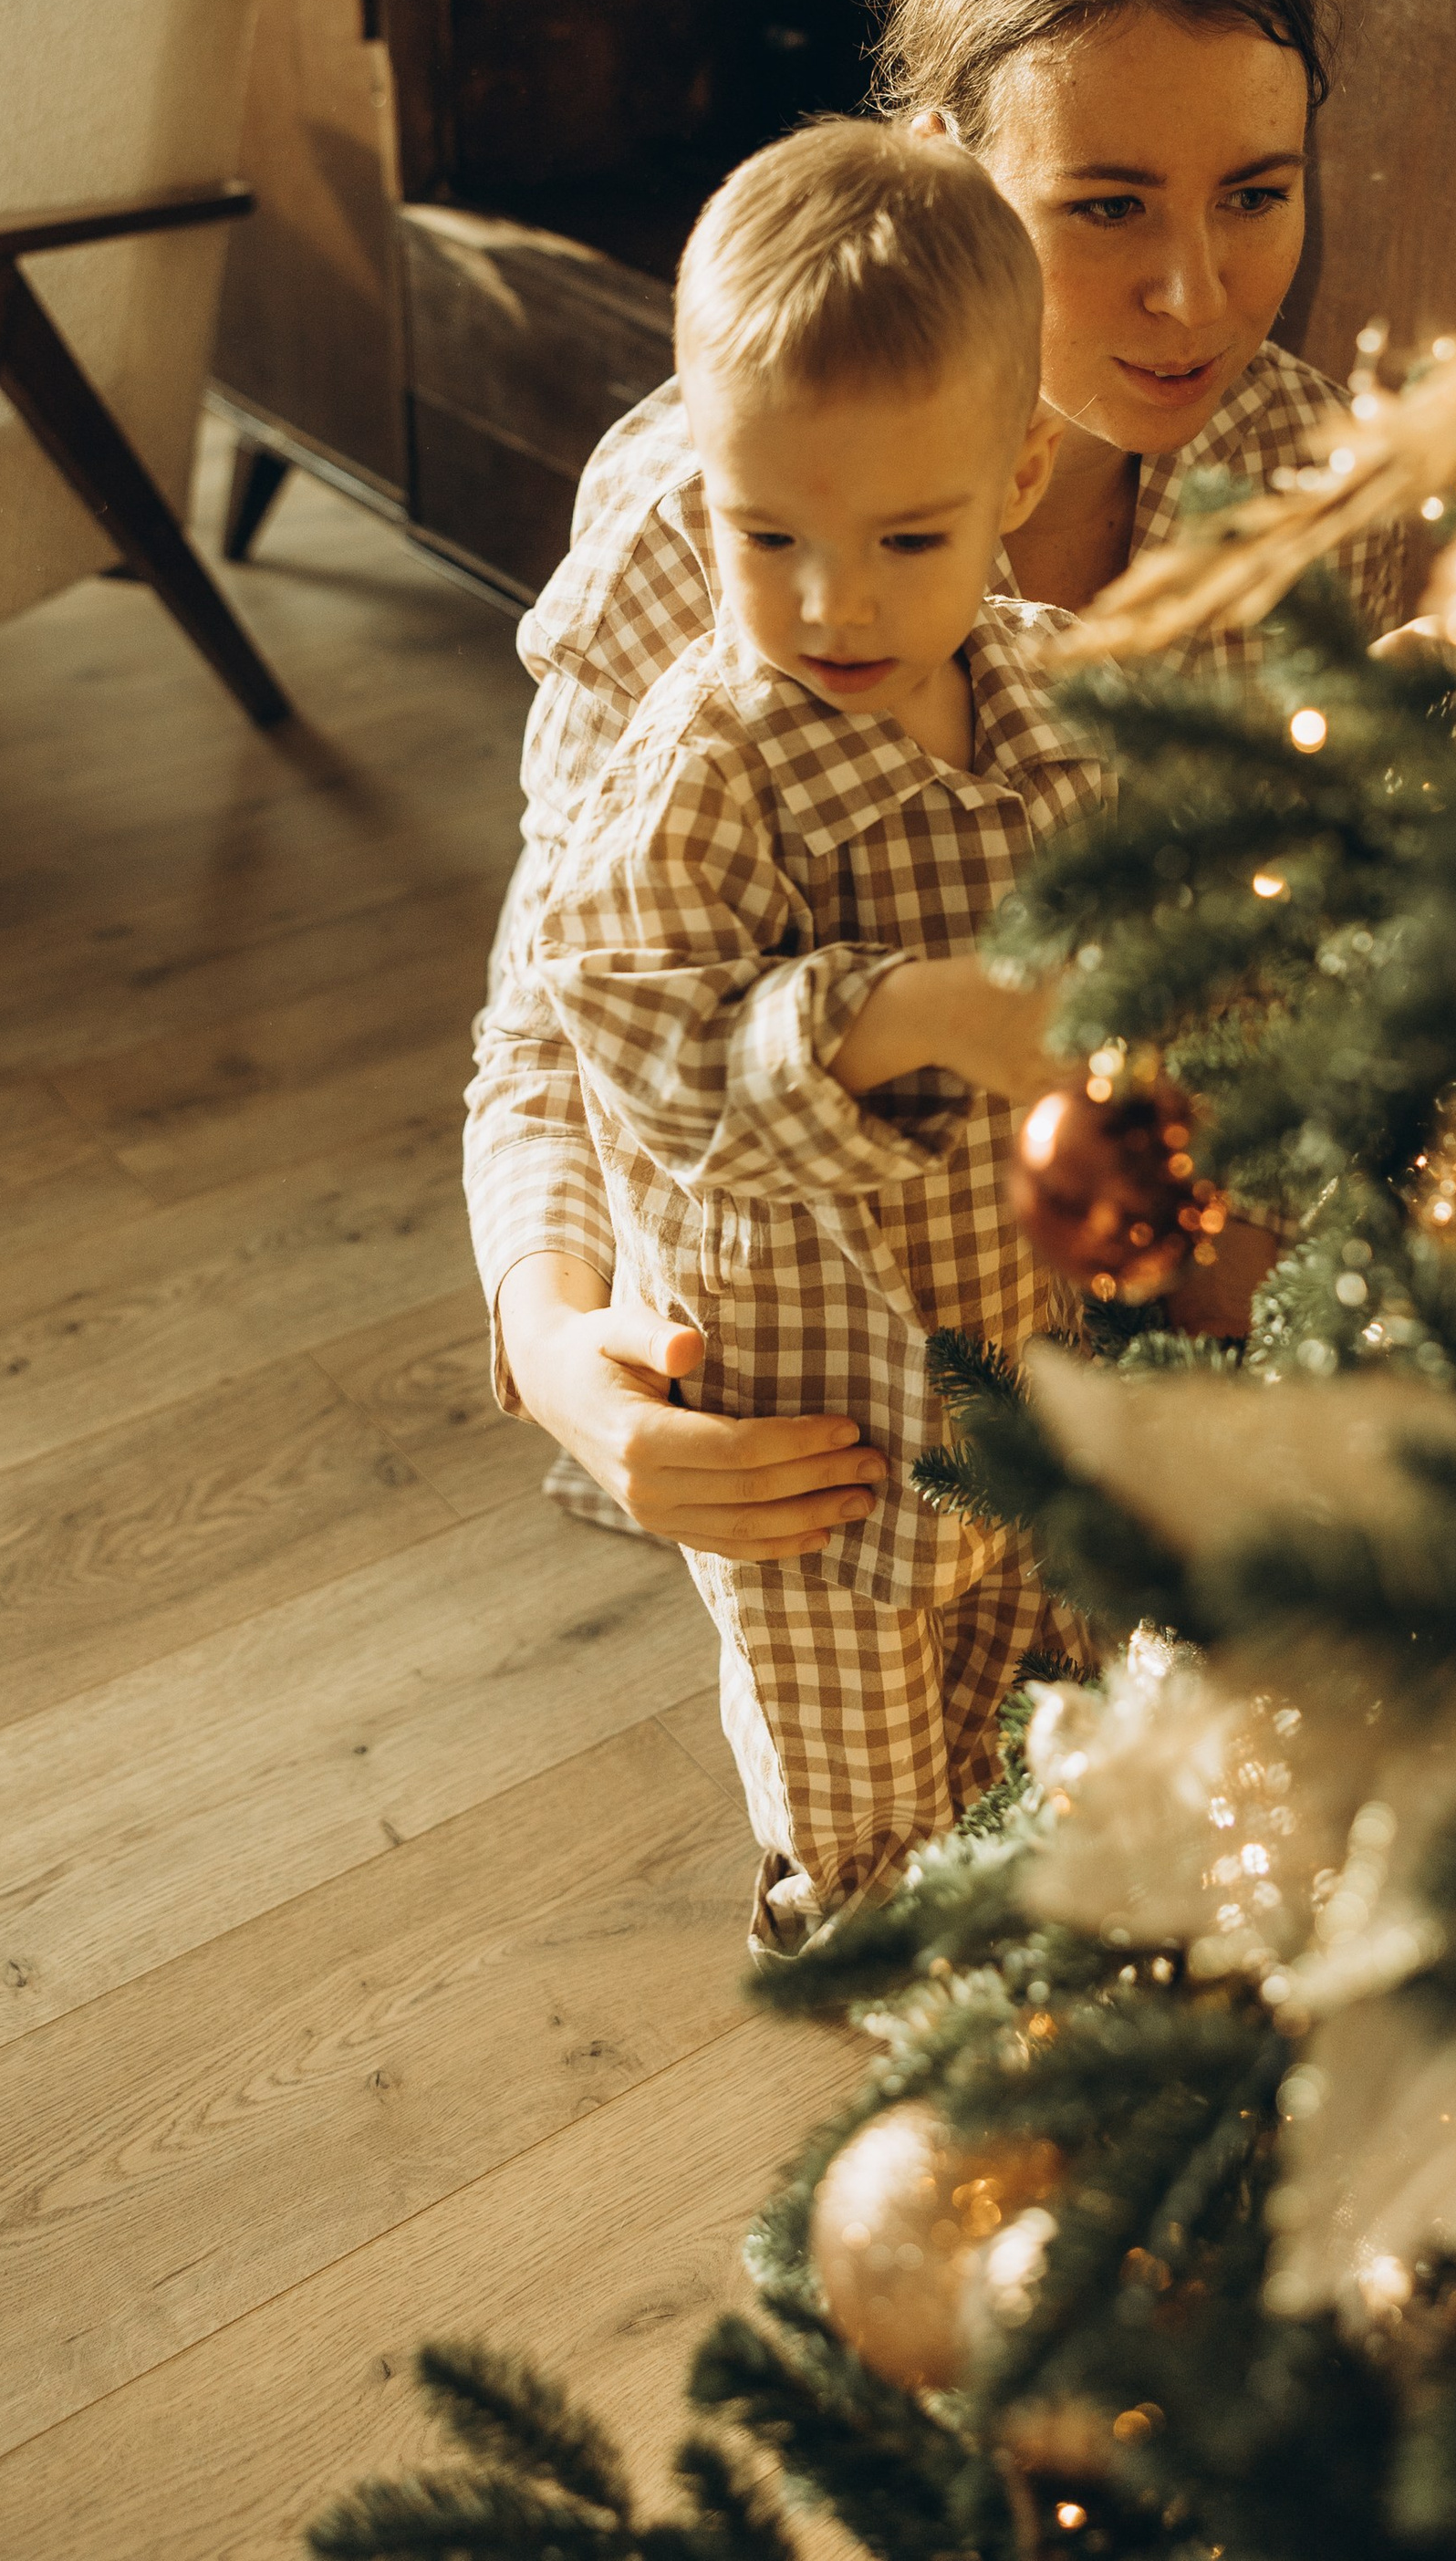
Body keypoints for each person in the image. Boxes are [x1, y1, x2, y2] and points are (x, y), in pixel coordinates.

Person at [465, 0, 1420, 1548]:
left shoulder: (1297, 475)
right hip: (845, 1397)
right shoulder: (701, 525)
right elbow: (553, 1009)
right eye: (1105, 206)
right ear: (942, 170)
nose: (1194, 291)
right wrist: (558, 1356)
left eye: (1256, 196)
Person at [536, 119, 1098, 1939]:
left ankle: (1047, 1954)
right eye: (763, 534)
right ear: (697, 490)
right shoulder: (707, 760)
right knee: (867, 1799)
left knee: (1043, 1691)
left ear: (1017, 477)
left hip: (1031, 1373)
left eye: (902, 538)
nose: (831, 599)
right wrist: (892, 1014)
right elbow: (626, 1030)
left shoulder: (1042, 697)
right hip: (818, 1444)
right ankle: (867, 1960)